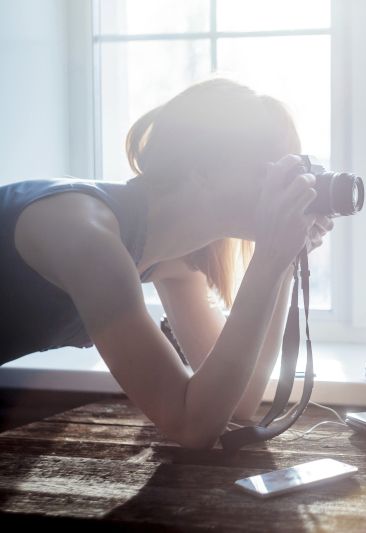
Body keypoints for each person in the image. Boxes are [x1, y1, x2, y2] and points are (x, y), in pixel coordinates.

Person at [0, 78, 333, 449]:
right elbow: (191, 426)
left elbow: (237, 401)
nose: (283, 187)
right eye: (267, 170)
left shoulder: (173, 258)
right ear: (203, 168)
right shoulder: (87, 237)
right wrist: (270, 258)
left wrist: (285, 257)